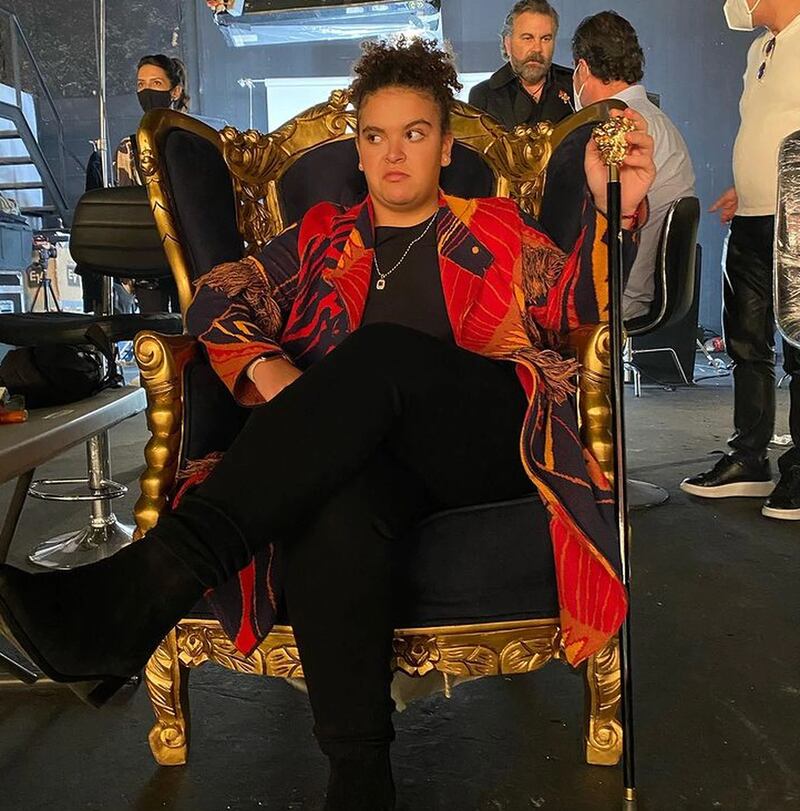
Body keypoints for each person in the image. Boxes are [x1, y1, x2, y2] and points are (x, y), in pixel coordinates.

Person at [0, 39, 655, 810]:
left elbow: (579, 308)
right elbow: (216, 294)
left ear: (446, 147)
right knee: (337, 499)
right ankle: (359, 780)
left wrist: (617, 209)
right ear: (360, 149)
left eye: (414, 133)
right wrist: (276, 378)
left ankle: (141, 587)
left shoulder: (499, 227)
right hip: (376, 461)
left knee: (378, 353)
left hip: (489, 436)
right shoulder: (319, 240)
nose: (393, 153)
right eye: (375, 136)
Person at [681, 0, 800, 519]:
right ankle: (749, 458)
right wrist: (746, 185)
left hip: (794, 219)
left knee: (799, 344)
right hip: (752, 216)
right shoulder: (760, 49)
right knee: (746, 342)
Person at [539, 11, 695, 320]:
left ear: (582, 69)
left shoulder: (608, 131)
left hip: (615, 296)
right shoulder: (658, 122)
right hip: (647, 289)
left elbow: (563, 234)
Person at [114, 54, 188, 313]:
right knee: (153, 326)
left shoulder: (195, 140)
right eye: (141, 84)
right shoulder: (129, 148)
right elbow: (127, 207)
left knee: (193, 324)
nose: (146, 91)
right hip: (148, 255)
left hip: (191, 254)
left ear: (175, 91)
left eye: (156, 83)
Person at [468, 0, 573, 129]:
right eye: (527, 38)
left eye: (545, 39)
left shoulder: (573, 86)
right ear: (508, 43)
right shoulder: (483, 97)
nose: (537, 48)